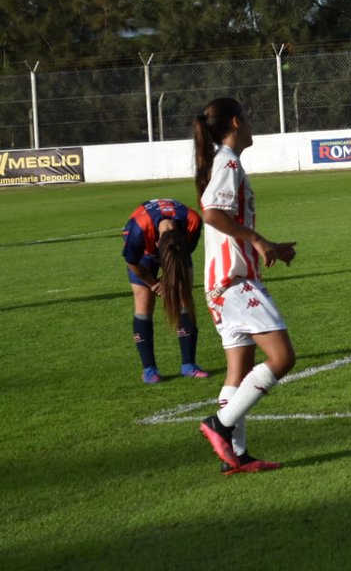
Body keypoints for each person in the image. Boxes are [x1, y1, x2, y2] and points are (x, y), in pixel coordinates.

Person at [193, 98, 297, 475]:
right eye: (248, 118)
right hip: (233, 282)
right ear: (236, 121)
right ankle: (218, 425)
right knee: (283, 358)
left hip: (223, 284)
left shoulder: (224, 161)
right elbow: (212, 212)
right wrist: (256, 239)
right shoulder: (228, 162)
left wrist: (267, 244)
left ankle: (234, 458)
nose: (252, 124)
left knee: (238, 372)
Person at [121, 198, 209, 383]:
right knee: (144, 304)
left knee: (185, 297)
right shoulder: (139, 229)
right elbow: (131, 261)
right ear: (157, 241)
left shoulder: (193, 221)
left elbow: (185, 253)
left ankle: (189, 365)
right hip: (142, 258)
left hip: (177, 254)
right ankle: (149, 370)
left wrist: (172, 279)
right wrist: (153, 283)